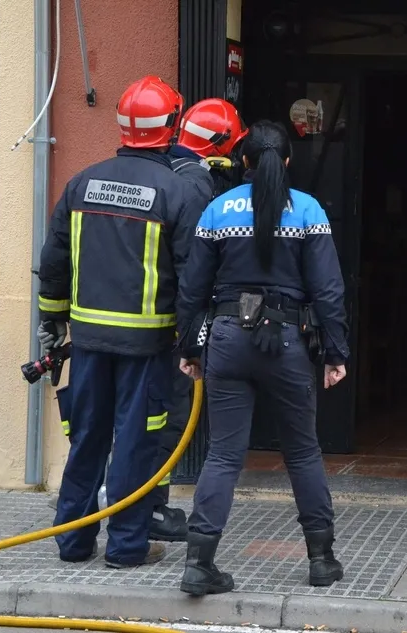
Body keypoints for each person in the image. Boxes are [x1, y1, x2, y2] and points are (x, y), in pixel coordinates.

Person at [37, 75, 209, 569]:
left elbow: (54, 262)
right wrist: (193, 343)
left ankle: (73, 542)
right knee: (136, 443)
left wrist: (53, 321)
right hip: (148, 346)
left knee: (86, 438)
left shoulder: (81, 183)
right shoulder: (179, 192)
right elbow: (192, 278)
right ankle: (127, 547)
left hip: (89, 341)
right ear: (172, 125)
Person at [174, 120, 350, 596]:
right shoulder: (308, 210)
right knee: (303, 451)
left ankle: (198, 563)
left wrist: (189, 346)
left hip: (227, 338)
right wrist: (336, 351)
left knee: (223, 454)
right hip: (289, 341)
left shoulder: (216, 210)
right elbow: (328, 290)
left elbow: (192, 288)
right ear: (287, 161)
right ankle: (321, 560)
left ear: (244, 161)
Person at [146, 98, 249, 544]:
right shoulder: (196, 186)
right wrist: (193, 334)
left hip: (142, 317)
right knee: (168, 416)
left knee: (144, 415)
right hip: (173, 323)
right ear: (222, 145)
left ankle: (135, 502)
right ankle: (152, 508)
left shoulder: (163, 172)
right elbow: (195, 267)